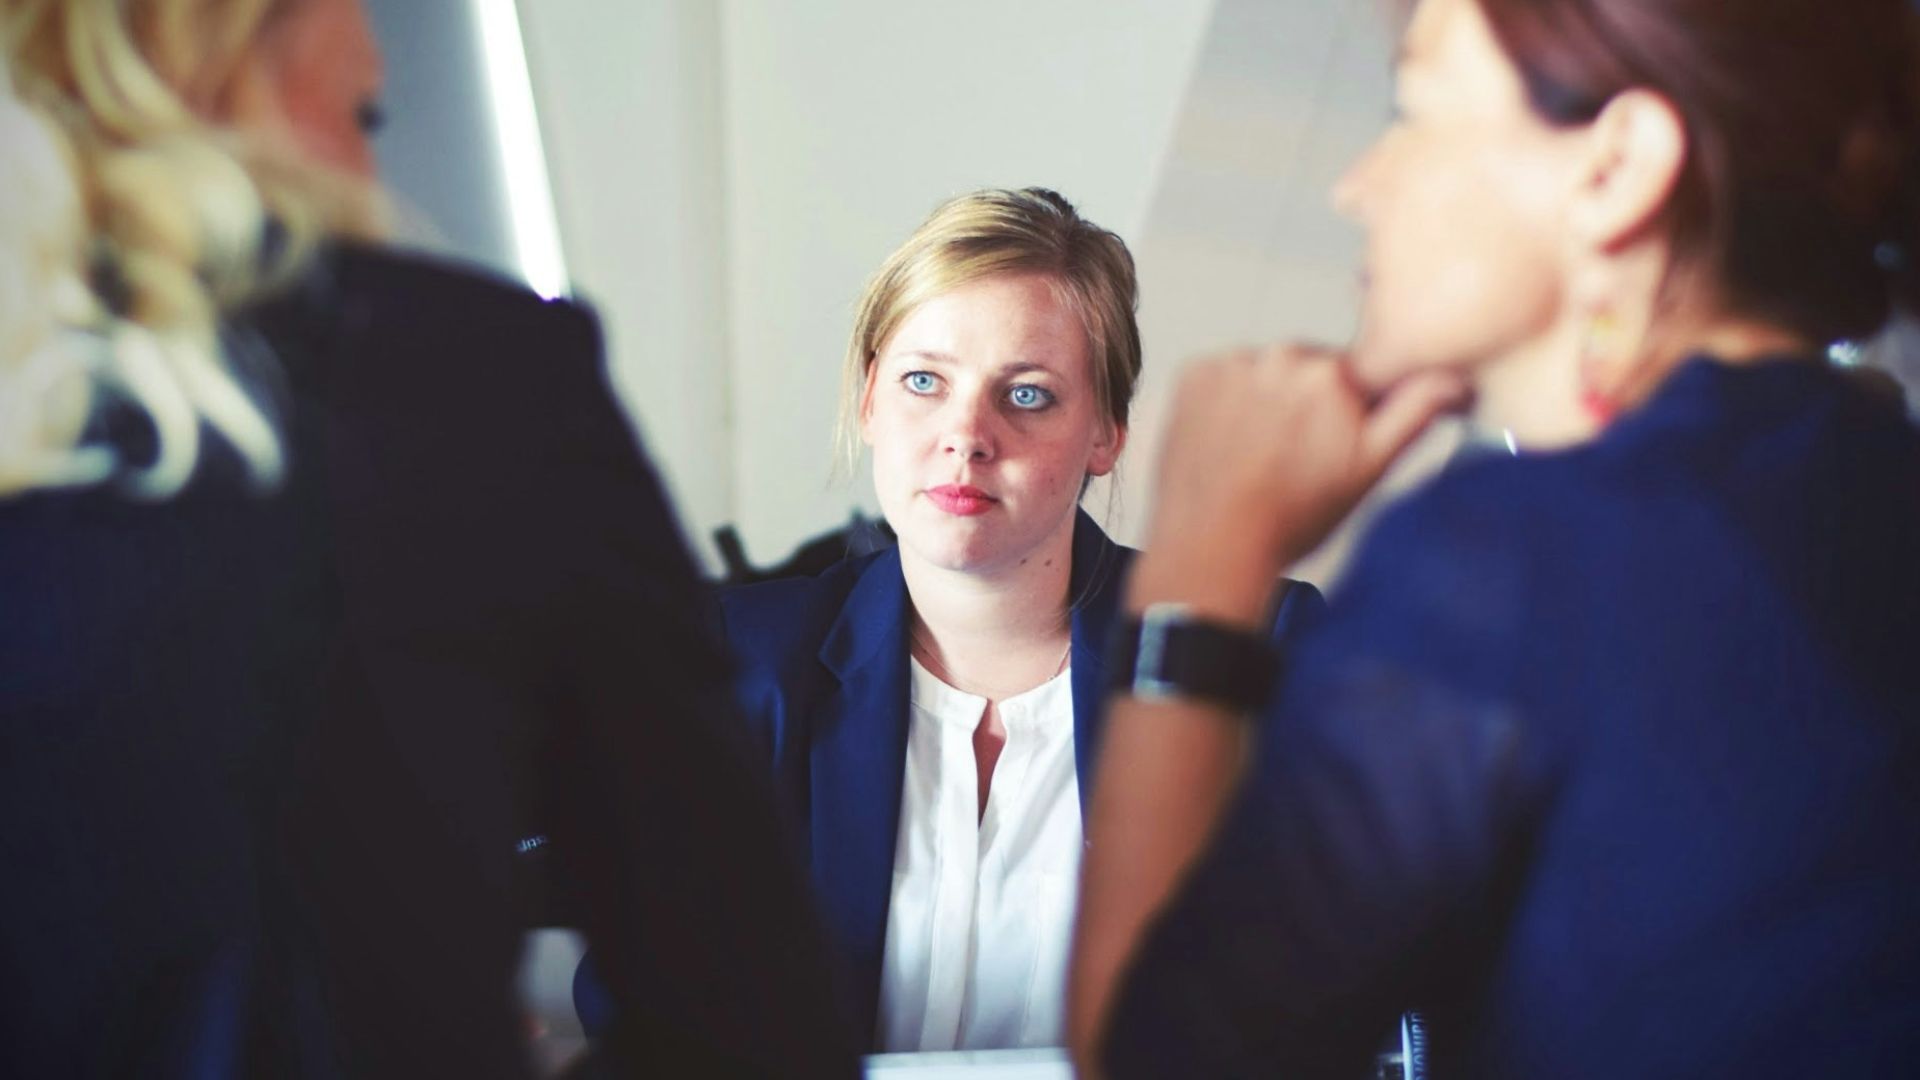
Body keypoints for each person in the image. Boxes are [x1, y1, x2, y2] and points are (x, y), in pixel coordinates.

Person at [0, 1, 856, 1077]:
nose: (370, 175)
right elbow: (748, 1012)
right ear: (217, 59)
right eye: (365, 115)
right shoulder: (465, 379)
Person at [1068, 0, 1920, 1076]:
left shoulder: (1515, 559)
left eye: (1412, 114)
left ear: (1616, 168)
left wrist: (1204, 550)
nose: (1356, 187)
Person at [592, 188, 1324, 1053]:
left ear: (1105, 433)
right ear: (870, 398)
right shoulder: (736, 661)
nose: (966, 435)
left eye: (1028, 395)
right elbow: (633, 1009)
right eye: (924, 382)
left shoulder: (1248, 647)